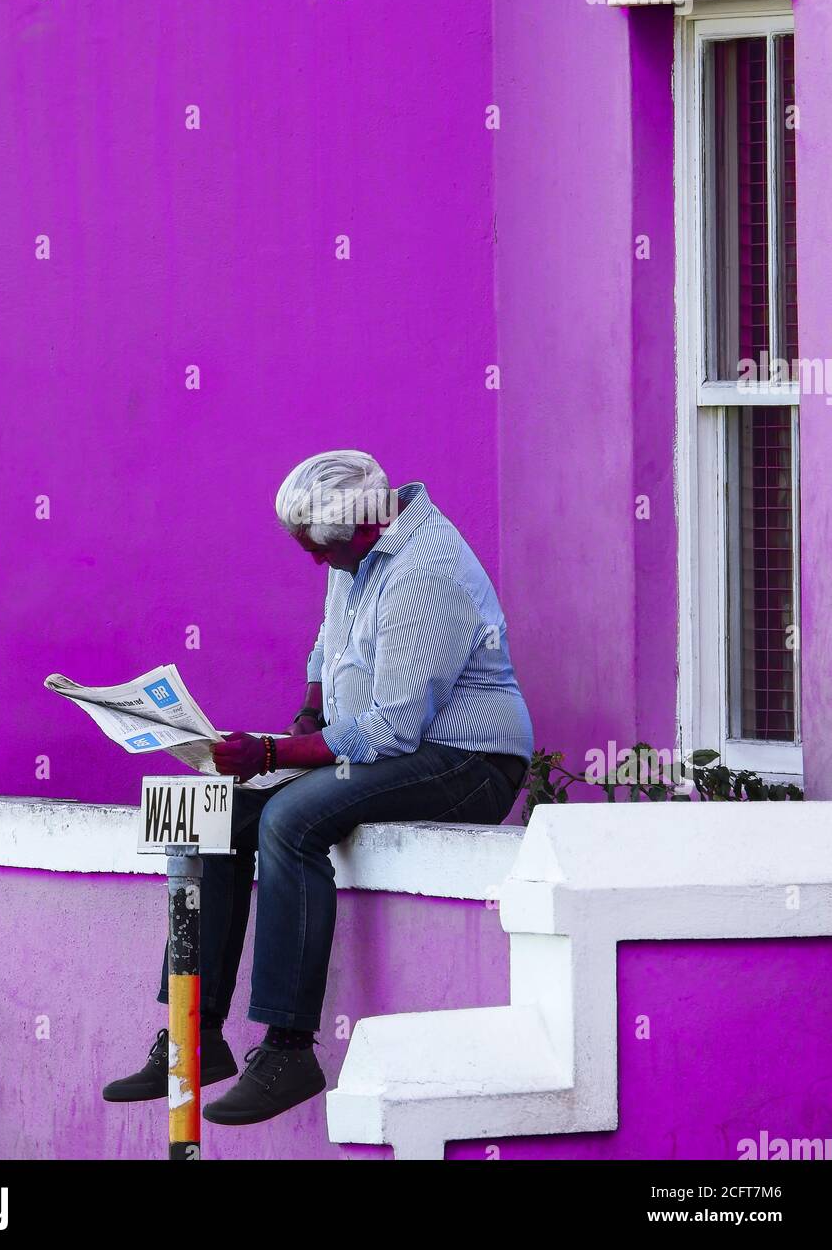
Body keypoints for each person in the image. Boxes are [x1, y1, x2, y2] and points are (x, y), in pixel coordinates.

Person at [102, 449, 533, 1125]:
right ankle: (193, 1034)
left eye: (318, 549)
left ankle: (289, 1050)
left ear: (362, 528)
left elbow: (393, 727)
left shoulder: (427, 572)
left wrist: (275, 751)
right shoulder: (360, 550)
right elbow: (328, 645)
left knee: (289, 822)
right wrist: (306, 716)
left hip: (467, 763)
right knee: (213, 814)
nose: (313, 563)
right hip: (392, 752)